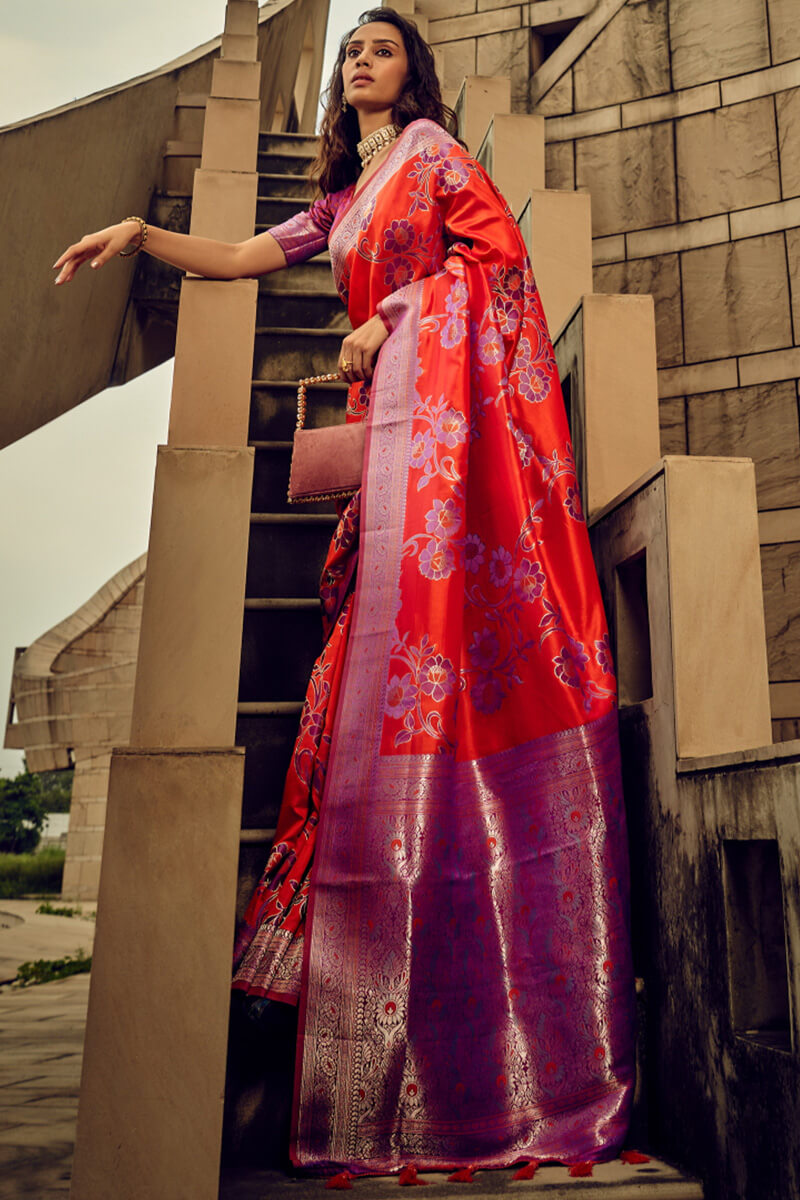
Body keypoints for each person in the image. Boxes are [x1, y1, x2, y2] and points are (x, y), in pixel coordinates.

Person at [53, 7, 636, 1181]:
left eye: (380, 47)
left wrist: (392, 313)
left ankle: (500, 1044)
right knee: (357, 694)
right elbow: (243, 259)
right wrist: (142, 234)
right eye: (349, 51)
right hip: (387, 450)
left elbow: (497, 268)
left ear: (412, 74)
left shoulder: (434, 158)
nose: (359, 59)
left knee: (437, 674)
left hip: (449, 449)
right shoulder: (344, 201)